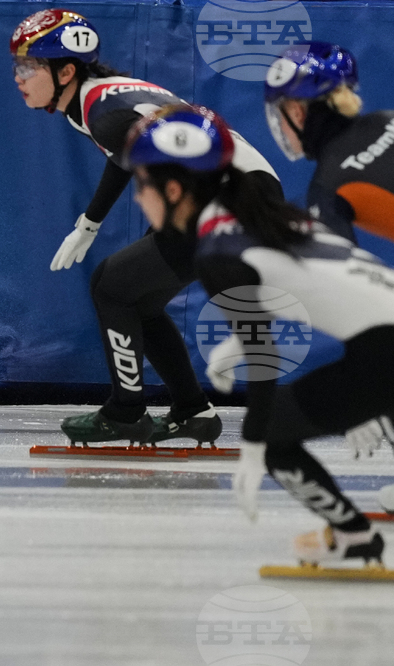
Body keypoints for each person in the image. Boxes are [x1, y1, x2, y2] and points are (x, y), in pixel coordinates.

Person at [123, 103, 391, 565]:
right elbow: (309, 283)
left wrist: (252, 449)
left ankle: (354, 537)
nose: (135, 198)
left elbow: (264, 360)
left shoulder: (216, 250)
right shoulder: (248, 212)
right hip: (380, 342)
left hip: (383, 350)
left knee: (275, 434)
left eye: (140, 185)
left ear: (172, 189)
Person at [9, 9, 283, 444]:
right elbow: (124, 157)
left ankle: (126, 410)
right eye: (17, 65)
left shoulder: (105, 113)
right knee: (137, 299)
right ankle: (192, 411)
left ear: (64, 71)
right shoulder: (95, 101)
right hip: (237, 190)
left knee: (110, 285)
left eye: (29, 66)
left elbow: (137, 152)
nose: (19, 77)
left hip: (229, 195)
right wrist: (89, 224)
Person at [264, 41, 394, 244]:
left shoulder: (325, 187)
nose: (280, 126)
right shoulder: (387, 118)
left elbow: (345, 272)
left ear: (297, 113)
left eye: (279, 116)